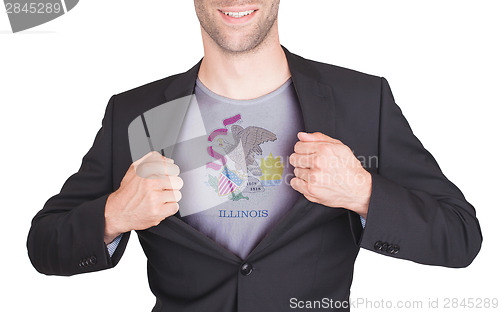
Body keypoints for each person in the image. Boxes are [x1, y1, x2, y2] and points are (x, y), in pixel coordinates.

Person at [27, 1, 482, 311]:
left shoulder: (361, 101)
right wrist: (114, 214)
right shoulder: (139, 114)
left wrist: (363, 192)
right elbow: (44, 245)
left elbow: (460, 236)